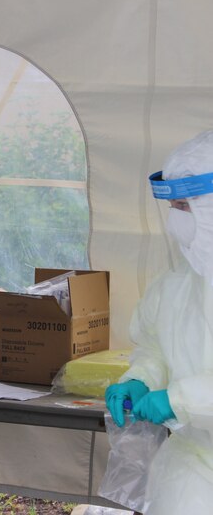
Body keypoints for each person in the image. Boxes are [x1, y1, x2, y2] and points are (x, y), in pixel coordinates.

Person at [105, 130, 213, 513]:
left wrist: (179, 400)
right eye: (173, 207)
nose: (175, 221)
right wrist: (142, 379)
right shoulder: (177, 283)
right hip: (193, 461)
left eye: (185, 206)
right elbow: (156, 347)